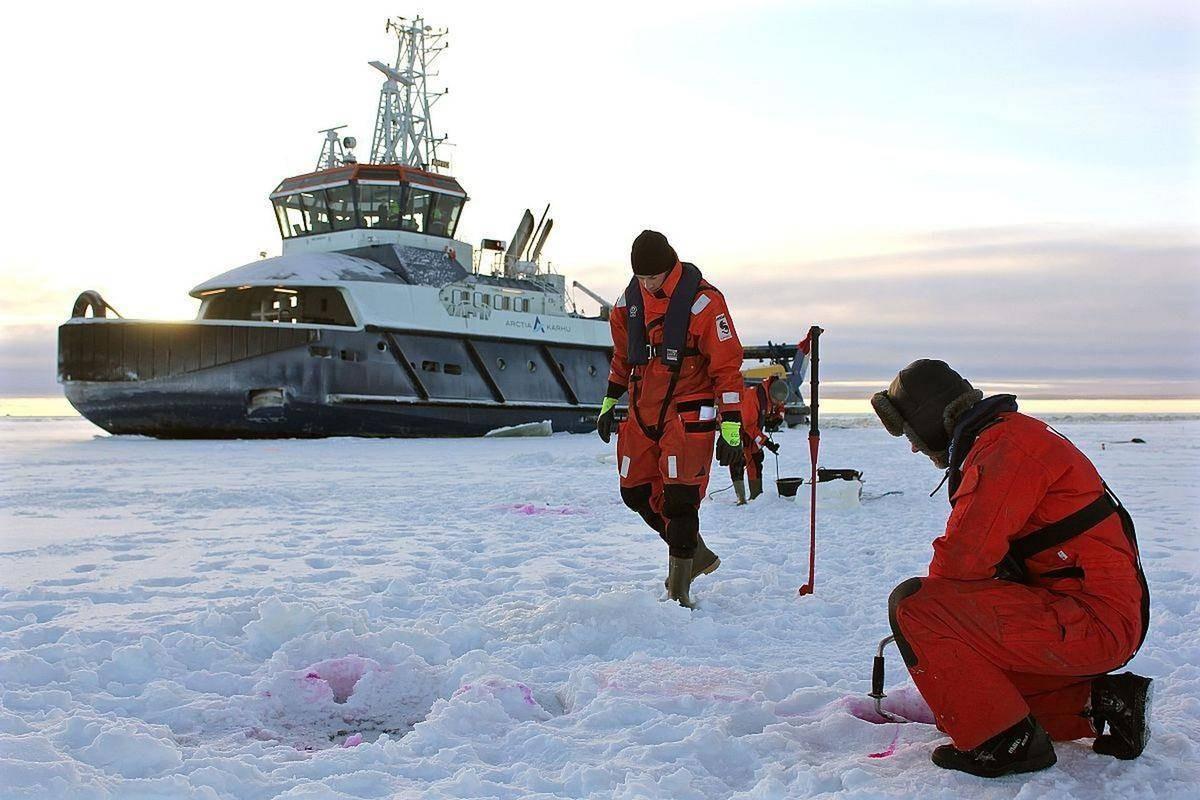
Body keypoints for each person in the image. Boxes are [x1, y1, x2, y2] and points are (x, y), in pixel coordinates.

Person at [871, 359, 1151, 778]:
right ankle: (1104, 702)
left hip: (1094, 620)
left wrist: (931, 636)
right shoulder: (1008, 436)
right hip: (1092, 614)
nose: (913, 446)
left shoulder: (1004, 450)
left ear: (932, 419)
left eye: (912, 433)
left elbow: (960, 566)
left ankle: (1005, 745)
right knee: (970, 703)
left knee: (915, 606)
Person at [596, 230, 745, 608]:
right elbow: (622, 358)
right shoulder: (625, 306)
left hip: (687, 412)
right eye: (641, 278)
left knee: (680, 501)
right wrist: (609, 402)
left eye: (654, 277)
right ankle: (695, 553)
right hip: (643, 412)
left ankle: (679, 591)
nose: (647, 284)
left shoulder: (704, 304)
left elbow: (727, 369)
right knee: (635, 492)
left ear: (671, 266)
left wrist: (731, 426)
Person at [729, 375, 789, 504]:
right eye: (776, 402)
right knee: (737, 461)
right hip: (737, 429)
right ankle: (741, 497)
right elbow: (749, 426)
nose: (778, 404)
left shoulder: (774, 392)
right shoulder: (752, 398)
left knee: (756, 459)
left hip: (752, 430)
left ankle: (756, 496)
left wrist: (778, 418)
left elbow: (780, 405)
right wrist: (766, 442)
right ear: (771, 396)